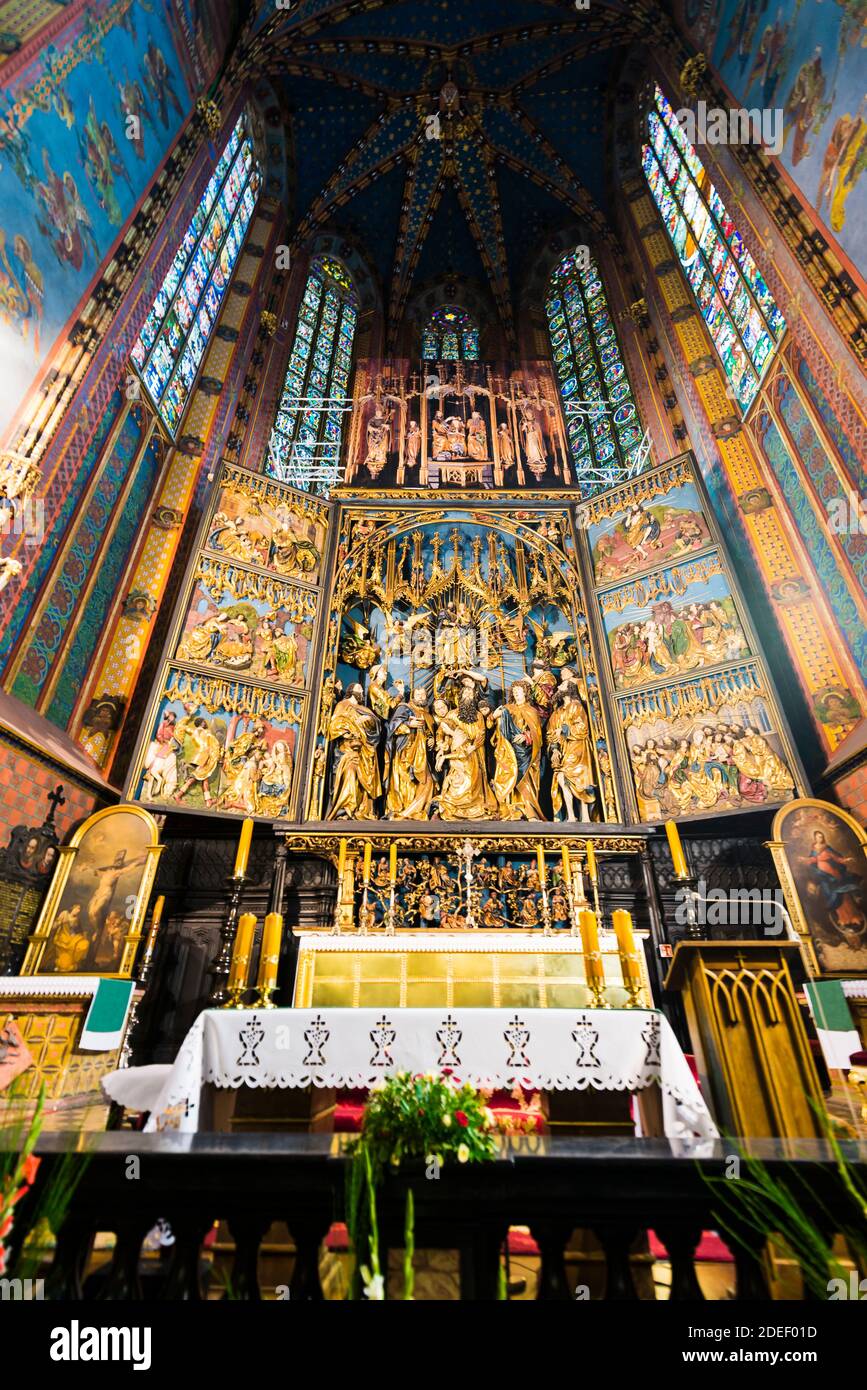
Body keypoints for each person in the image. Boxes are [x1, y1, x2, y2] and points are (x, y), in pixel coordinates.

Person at [325, 685, 383, 820]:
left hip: (365, 749)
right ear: (351, 690)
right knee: (350, 772)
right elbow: (334, 724)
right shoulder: (342, 705)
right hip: (347, 749)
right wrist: (349, 730)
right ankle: (345, 810)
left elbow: (376, 726)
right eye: (359, 689)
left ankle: (363, 811)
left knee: (368, 777)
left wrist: (368, 720)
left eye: (362, 689)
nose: (362, 691)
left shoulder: (365, 709)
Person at [491, 680, 544, 821]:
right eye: (514, 690)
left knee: (524, 780)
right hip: (507, 750)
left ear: (525, 692)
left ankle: (529, 812)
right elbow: (490, 724)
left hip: (525, 752)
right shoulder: (507, 708)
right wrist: (493, 717)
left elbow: (537, 733)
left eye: (519, 690)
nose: (515, 692)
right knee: (508, 778)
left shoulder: (532, 711)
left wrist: (526, 736)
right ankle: (508, 811)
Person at [385, 686, 436, 820]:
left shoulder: (428, 715)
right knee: (406, 782)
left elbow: (430, 733)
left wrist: (431, 739)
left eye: (423, 694)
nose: (420, 696)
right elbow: (392, 727)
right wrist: (408, 724)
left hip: (422, 755)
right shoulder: (404, 708)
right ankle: (403, 810)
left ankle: (411, 812)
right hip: (405, 752)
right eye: (417, 694)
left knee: (427, 782)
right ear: (412, 696)